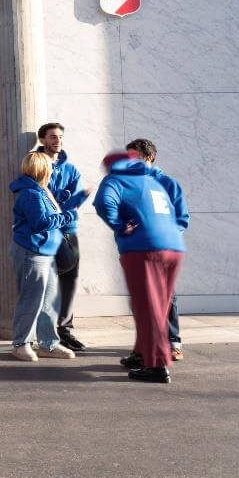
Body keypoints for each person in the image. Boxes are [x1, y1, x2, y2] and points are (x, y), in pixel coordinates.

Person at [94, 150, 187, 383]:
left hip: (143, 249)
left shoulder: (115, 179)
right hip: (174, 247)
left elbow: (104, 204)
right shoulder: (153, 181)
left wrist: (118, 225)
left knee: (147, 307)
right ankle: (141, 353)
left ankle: (156, 365)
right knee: (158, 306)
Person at [119, 139, 192, 368]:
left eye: (134, 156)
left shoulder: (167, 183)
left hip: (161, 250)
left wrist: (162, 236)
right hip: (137, 251)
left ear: (150, 157)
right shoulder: (130, 184)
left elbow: (182, 218)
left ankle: (172, 342)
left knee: (167, 298)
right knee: (142, 302)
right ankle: (142, 350)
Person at [9, 151, 80, 361]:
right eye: (50, 167)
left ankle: (48, 344)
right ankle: (21, 344)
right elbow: (40, 223)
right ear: (42, 169)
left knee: (48, 302)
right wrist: (69, 215)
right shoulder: (31, 194)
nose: (53, 170)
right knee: (31, 301)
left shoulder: (40, 191)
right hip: (32, 253)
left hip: (45, 254)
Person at [36, 122, 90, 352]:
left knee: (70, 279)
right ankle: (44, 332)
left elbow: (76, 199)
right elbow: (38, 197)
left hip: (68, 230)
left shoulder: (72, 169)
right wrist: (64, 201)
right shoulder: (35, 165)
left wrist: (61, 203)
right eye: (52, 137)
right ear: (42, 140)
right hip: (44, 231)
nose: (57, 140)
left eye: (60, 137)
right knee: (45, 283)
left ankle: (65, 329)